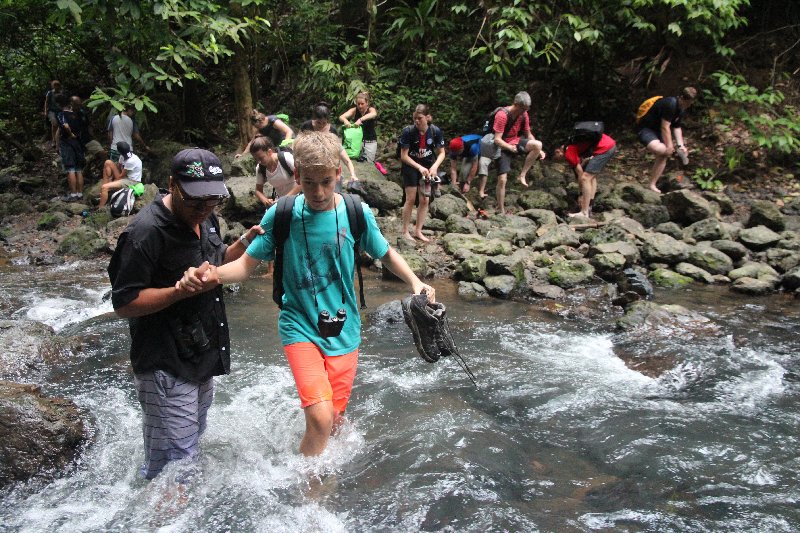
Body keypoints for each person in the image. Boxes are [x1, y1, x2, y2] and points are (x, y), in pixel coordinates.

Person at [177, 131, 435, 457]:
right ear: (296, 175)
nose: (318, 191)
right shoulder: (281, 215)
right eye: (309, 182)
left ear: (339, 175)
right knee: (320, 418)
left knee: (333, 419)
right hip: (298, 325)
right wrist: (212, 274)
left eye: (327, 181)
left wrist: (415, 282)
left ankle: (322, 459)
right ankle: (311, 496)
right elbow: (244, 267)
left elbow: (385, 254)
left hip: (345, 328)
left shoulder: (356, 213)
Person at [107, 147, 263, 480]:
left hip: (200, 351)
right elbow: (124, 303)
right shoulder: (145, 233)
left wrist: (245, 243)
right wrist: (179, 290)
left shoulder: (206, 215)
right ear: (171, 185)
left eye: (211, 201)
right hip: (164, 362)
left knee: (187, 452)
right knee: (175, 468)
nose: (203, 209)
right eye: (194, 202)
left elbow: (217, 256)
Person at [476, 91, 545, 215]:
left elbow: (528, 134)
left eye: (526, 109)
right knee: (502, 180)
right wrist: (509, 147)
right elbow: (497, 139)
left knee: (538, 145)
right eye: (523, 109)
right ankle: (501, 209)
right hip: (502, 146)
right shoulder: (502, 115)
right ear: (516, 104)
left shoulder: (524, 114)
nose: (524, 112)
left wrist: (539, 150)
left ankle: (522, 175)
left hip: (515, 141)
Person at [636, 86, 697, 193]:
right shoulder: (671, 104)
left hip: (658, 132)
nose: (688, 105)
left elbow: (676, 127)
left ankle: (652, 185)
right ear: (682, 98)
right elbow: (665, 126)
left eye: (690, 103)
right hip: (646, 129)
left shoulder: (681, 109)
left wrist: (680, 145)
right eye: (688, 102)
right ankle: (672, 153)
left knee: (664, 155)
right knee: (662, 150)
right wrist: (669, 146)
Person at [398, 104, 445, 242]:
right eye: (415, 118)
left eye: (420, 118)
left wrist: (435, 166)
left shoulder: (435, 131)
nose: (417, 121)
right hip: (411, 165)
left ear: (428, 117)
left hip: (428, 165)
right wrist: (418, 167)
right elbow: (404, 156)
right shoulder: (408, 132)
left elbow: (442, 153)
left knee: (425, 199)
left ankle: (418, 231)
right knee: (411, 198)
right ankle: (405, 231)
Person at [554, 132, 617, 218]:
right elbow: (582, 164)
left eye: (555, 158)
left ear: (558, 152)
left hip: (605, 148)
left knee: (585, 178)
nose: (558, 161)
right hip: (609, 144)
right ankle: (589, 206)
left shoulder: (568, 152)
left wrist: (581, 195)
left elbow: (580, 173)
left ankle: (584, 212)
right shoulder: (570, 145)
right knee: (591, 176)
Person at [300, 102, 358, 186]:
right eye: (318, 123)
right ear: (314, 119)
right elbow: (299, 147)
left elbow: (346, 160)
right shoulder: (306, 126)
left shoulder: (332, 133)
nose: (321, 126)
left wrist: (353, 175)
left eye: (324, 123)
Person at [250, 135, 301, 208]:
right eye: (256, 159)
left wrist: (285, 199)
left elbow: (303, 181)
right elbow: (258, 190)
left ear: (269, 152)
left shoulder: (286, 158)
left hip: (298, 197)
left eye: (261, 158)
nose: (259, 161)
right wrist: (265, 200)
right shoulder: (260, 168)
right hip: (279, 201)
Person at [56, 94, 86, 201]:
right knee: (78, 169)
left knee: (71, 169)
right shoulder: (79, 115)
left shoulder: (61, 114)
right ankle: (80, 193)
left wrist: (70, 134)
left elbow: (65, 126)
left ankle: (73, 194)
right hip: (78, 143)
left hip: (67, 143)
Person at [98, 141, 142, 209]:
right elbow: (119, 167)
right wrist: (112, 175)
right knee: (108, 162)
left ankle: (100, 208)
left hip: (131, 180)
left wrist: (112, 180)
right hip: (123, 175)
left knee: (105, 187)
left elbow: (121, 176)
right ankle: (103, 193)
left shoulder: (131, 161)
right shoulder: (123, 155)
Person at [339, 91, 379, 162]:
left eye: (362, 104)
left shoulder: (370, 109)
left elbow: (374, 114)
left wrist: (360, 119)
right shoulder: (354, 110)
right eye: (358, 104)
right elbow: (341, 117)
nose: (360, 106)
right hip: (357, 142)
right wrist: (345, 120)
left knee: (368, 163)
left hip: (370, 142)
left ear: (367, 103)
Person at [43, 80, 63, 148]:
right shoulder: (50, 93)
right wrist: (46, 111)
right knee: (54, 125)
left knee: (60, 125)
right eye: (55, 85)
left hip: (60, 111)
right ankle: (54, 140)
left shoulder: (61, 92)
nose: (56, 86)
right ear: (52, 86)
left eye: (57, 85)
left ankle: (58, 140)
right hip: (52, 111)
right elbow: (46, 102)